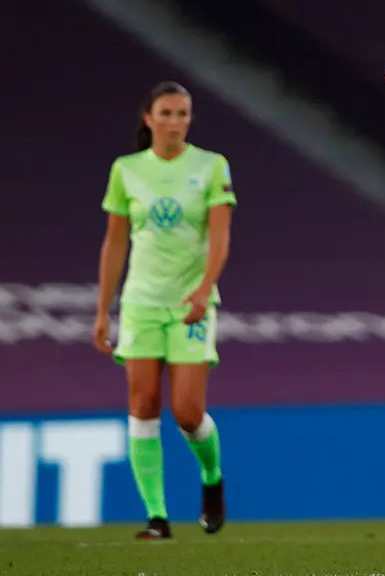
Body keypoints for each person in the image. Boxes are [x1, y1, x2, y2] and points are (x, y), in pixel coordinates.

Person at [93, 81, 236, 540]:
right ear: (149, 118)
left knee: (188, 412)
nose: (176, 122)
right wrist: (102, 309)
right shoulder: (126, 170)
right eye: (167, 113)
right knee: (143, 404)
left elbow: (220, 236)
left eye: (183, 114)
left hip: (191, 304)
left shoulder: (212, 166)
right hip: (140, 304)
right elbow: (115, 243)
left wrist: (203, 289)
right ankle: (157, 517)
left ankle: (212, 480)